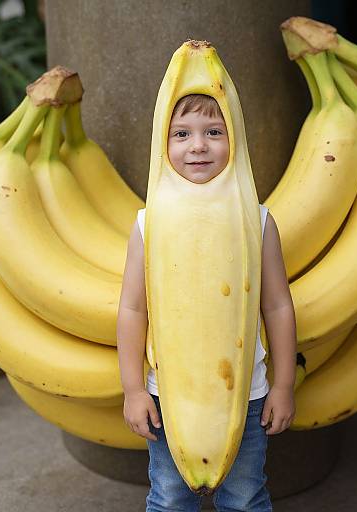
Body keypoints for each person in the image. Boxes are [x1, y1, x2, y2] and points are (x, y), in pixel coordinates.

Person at [117, 93, 297, 511]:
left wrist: (283, 384)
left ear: (237, 141)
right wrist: (132, 388)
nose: (197, 145)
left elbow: (277, 306)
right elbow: (133, 309)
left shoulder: (259, 219)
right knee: (169, 496)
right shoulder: (149, 222)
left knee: (245, 496)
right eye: (181, 134)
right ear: (162, 147)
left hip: (246, 396)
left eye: (214, 132)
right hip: (168, 400)